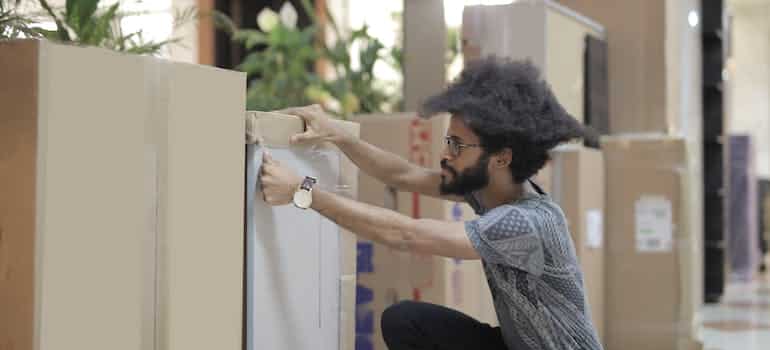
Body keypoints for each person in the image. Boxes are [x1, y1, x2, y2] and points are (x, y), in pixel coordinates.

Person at [259, 57, 603, 350]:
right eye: (447, 140)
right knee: (406, 321)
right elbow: (404, 175)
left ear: (501, 158)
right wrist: (338, 134)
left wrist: (303, 192)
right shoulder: (487, 187)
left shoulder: (528, 223)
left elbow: (406, 235)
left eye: (457, 145)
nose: (444, 154)